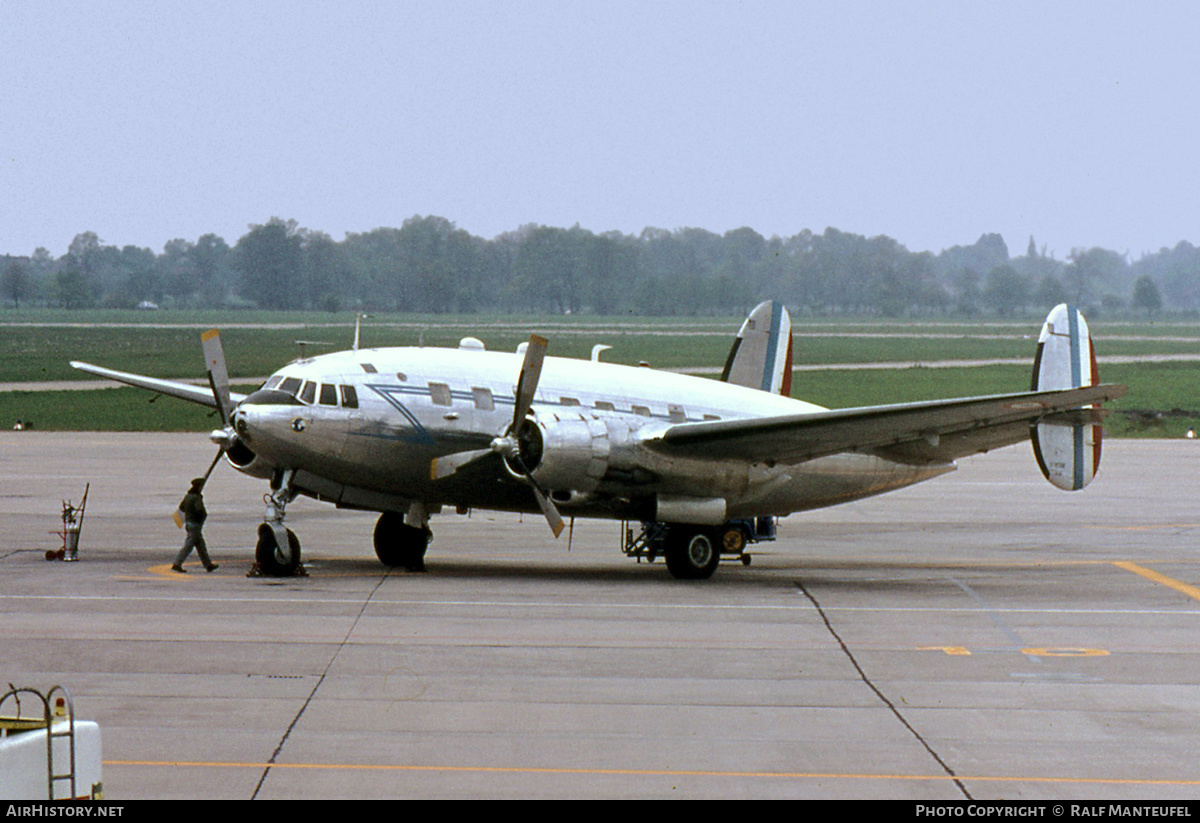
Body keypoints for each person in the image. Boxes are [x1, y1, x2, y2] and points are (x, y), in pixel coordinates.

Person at [172, 478, 218, 573]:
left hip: (189, 523)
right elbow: (200, 510)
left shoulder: (188, 496)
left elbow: (182, 508)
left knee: (201, 546)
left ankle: (208, 565)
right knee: (189, 545)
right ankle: (177, 563)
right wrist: (202, 517)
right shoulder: (196, 497)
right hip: (195, 524)